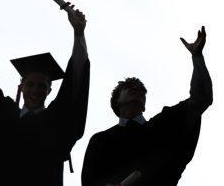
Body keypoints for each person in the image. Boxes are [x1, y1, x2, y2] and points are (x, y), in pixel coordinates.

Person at [0, 3, 89, 186]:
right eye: (30, 85)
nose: (35, 90)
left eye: (42, 86)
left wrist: (79, 33)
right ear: (21, 87)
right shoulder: (4, 113)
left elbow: (77, 77)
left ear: (49, 90)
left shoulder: (56, 119)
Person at [81, 27, 212, 186]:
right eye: (130, 88)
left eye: (141, 91)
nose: (137, 91)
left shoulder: (163, 125)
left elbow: (201, 99)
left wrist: (197, 57)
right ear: (117, 101)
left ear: (144, 105)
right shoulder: (100, 141)